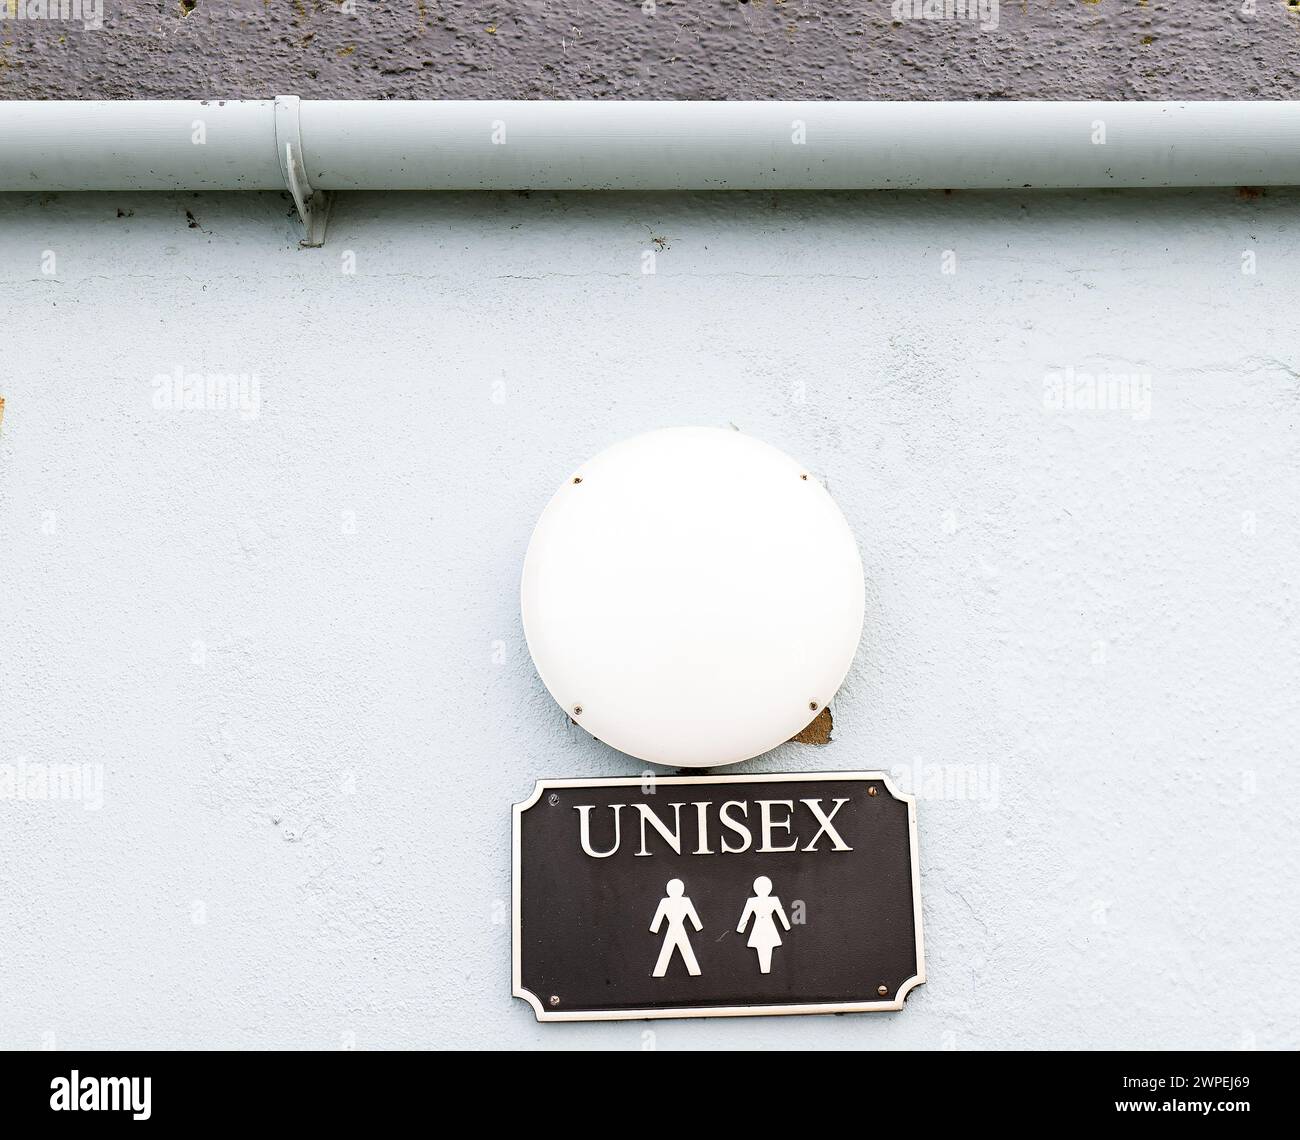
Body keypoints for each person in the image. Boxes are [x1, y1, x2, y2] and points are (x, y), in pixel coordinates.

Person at [736, 875, 791, 974]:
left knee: (765, 946)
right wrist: (787, 927)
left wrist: (741, 929)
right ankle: (765, 969)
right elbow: (745, 916)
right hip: (766, 928)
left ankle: (765, 969)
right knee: (763, 946)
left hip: (762, 928)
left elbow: (781, 914)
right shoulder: (762, 901)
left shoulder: (756, 901)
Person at [649, 878, 703, 977]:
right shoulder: (673, 902)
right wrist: (697, 926)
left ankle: (659, 972)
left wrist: (655, 928)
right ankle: (693, 970)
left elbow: (693, 916)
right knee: (684, 951)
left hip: (674, 930)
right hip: (678, 930)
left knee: (669, 950)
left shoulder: (669, 902)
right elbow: (658, 918)